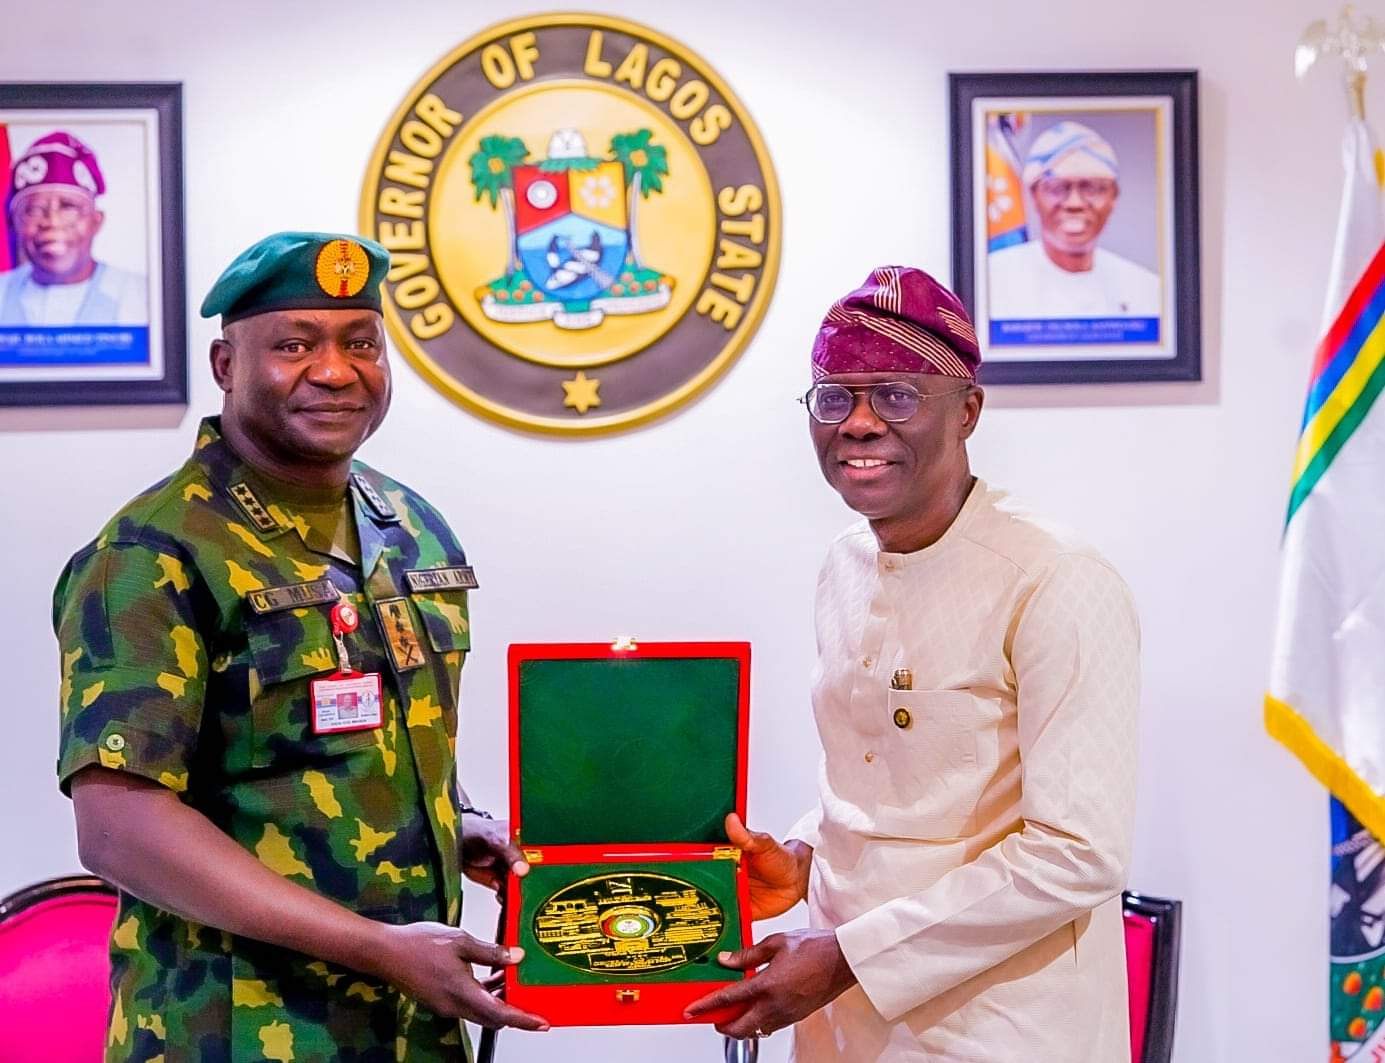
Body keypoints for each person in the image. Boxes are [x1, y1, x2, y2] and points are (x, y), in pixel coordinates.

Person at [53, 231, 547, 1059]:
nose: (334, 370)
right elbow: (119, 825)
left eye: (361, 343)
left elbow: (354, 747)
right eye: (293, 345)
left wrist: (452, 825)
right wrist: (377, 948)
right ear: (224, 364)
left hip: (411, 1028)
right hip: (233, 1028)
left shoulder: (409, 527)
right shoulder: (151, 553)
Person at [686, 266, 1139, 1061]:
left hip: (998, 1027)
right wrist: (802, 856)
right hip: (837, 1019)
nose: (857, 423)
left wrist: (851, 956)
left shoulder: (1054, 575)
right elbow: (877, 778)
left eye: (895, 394)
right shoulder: (843, 564)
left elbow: (1078, 853)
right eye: (835, 397)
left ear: (966, 411)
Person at [987, 120, 1161, 319]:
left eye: (1092, 187)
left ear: (1114, 196)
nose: (1074, 203)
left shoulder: (1148, 291)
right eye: (1057, 188)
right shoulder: (991, 282)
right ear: (1034, 196)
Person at [0, 131, 146, 326]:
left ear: (96, 220)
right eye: (34, 209)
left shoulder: (142, 296)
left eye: (68, 207)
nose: (52, 221)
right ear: (13, 223)